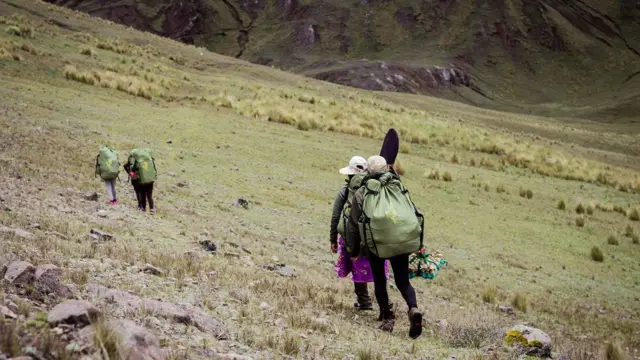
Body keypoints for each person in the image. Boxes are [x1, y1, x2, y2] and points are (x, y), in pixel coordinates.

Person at [347, 155, 423, 339]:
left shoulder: (362, 192)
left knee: (380, 280)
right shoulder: (398, 187)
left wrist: (354, 250)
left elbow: (353, 224)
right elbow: (413, 212)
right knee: (403, 281)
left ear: (369, 171)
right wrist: (419, 242)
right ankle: (413, 309)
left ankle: (387, 319)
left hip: (377, 245)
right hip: (401, 241)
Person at [330, 156, 390, 311]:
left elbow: (336, 215)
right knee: (377, 271)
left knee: (358, 268)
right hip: (373, 237)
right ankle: (385, 302)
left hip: (352, 237)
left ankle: (364, 301)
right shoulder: (375, 188)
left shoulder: (346, 191)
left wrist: (333, 239)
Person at [124, 149, 156, 215]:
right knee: (149, 195)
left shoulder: (138, 161)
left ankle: (143, 208)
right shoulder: (150, 160)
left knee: (143, 194)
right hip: (150, 180)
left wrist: (131, 173)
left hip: (142, 180)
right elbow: (154, 170)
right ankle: (152, 209)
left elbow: (133, 170)